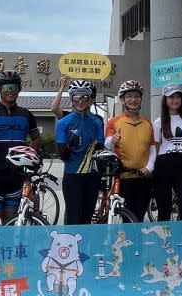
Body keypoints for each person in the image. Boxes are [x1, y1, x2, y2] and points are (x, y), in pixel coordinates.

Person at [0, 71, 41, 226]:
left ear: (19, 89)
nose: (10, 90)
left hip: (17, 176)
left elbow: (36, 138)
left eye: (13, 86)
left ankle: (6, 250)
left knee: (11, 221)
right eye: (6, 87)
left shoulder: (27, 115)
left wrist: (31, 154)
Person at [105, 80, 155, 221]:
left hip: (144, 178)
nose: (133, 99)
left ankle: (136, 243)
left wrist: (149, 168)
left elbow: (152, 148)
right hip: (124, 179)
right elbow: (107, 145)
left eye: (136, 96)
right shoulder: (113, 122)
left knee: (139, 217)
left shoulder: (147, 123)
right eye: (129, 96)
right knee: (127, 218)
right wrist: (112, 140)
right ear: (122, 100)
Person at [56, 81, 104, 224]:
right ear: (71, 99)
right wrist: (69, 145)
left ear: (90, 98)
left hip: (92, 176)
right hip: (72, 175)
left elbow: (100, 150)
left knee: (87, 217)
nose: (81, 101)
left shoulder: (97, 122)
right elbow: (63, 155)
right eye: (77, 97)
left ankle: (86, 247)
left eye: (84, 97)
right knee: (74, 217)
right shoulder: (63, 123)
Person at [152, 83, 182, 220]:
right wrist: (150, 167)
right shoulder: (158, 122)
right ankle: (165, 241)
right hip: (162, 165)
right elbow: (155, 148)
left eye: (178, 96)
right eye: (171, 97)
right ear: (165, 100)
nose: (175, 100)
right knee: (164, 210)